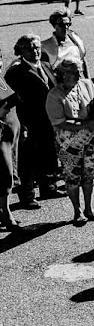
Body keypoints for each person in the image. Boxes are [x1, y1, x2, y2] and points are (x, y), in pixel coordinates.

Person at [45, 58, 94, 225]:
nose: (78, 75)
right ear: (63, 74)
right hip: (69, 145)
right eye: (74, 72)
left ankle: (89, 208)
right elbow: (59, 123)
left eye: (79, 71)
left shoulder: (86, 84)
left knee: (90, 173)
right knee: (72, 176)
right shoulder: (54, 95)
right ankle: (77, 211)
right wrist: (86, 124)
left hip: (92, 140)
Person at [6, 35, 59, 205]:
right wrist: (21, 124)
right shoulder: (15, 72)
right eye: (29, 48)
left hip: (48, 120)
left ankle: (48, 187)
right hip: (28, 121)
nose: (35, 51)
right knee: (28, 159)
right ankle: (27, 195)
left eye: (37, 47)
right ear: (20, 51)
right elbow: (13, 99)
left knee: (48, 154)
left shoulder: (46, 65)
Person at [0, 50, 21, 229]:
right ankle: (6, 213)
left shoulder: (1, 80)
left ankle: (2, 211)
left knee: (11, 174)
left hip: (10, 134)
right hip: (0, 138)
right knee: (5, 177)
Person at [42, 9, 88, 77]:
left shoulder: (75, 39)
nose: (66, 27)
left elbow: (83, 60)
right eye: (62, 25)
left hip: (78, 80)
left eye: (68, 24)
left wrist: (89, 81)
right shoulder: (47, 46)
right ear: (54, 26)